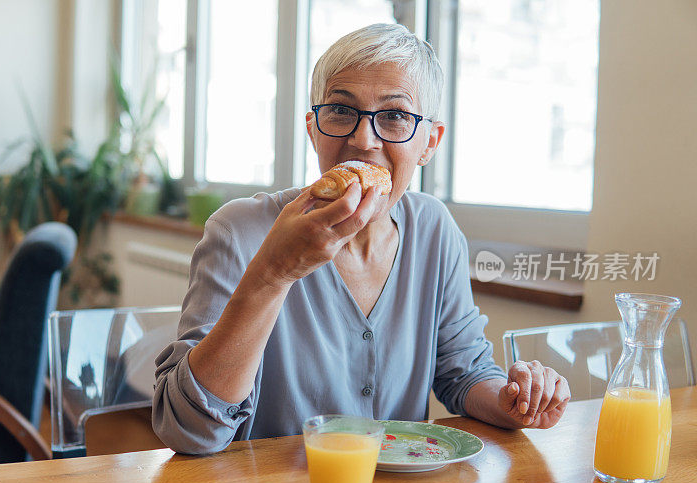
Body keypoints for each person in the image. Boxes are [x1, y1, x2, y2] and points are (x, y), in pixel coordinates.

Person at [152, 23, 570, 454]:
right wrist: (274, 273)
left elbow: (462, 372)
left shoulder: (434, 229)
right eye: (340, 110)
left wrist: (512, 401)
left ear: (430, 142)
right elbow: (189, 430)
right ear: (313, 128)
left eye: (394, 116)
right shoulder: (241, 231)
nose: (362, 139)